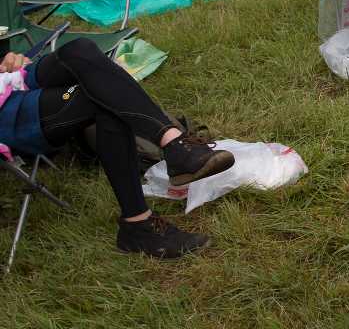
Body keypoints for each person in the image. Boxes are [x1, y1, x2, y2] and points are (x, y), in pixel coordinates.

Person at [0, 40, 235, 258]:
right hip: (7, 112)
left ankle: (175, 143)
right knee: (99, 95)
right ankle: (139, 222)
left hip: (12, 79)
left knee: (79, 51)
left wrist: (7, 57)